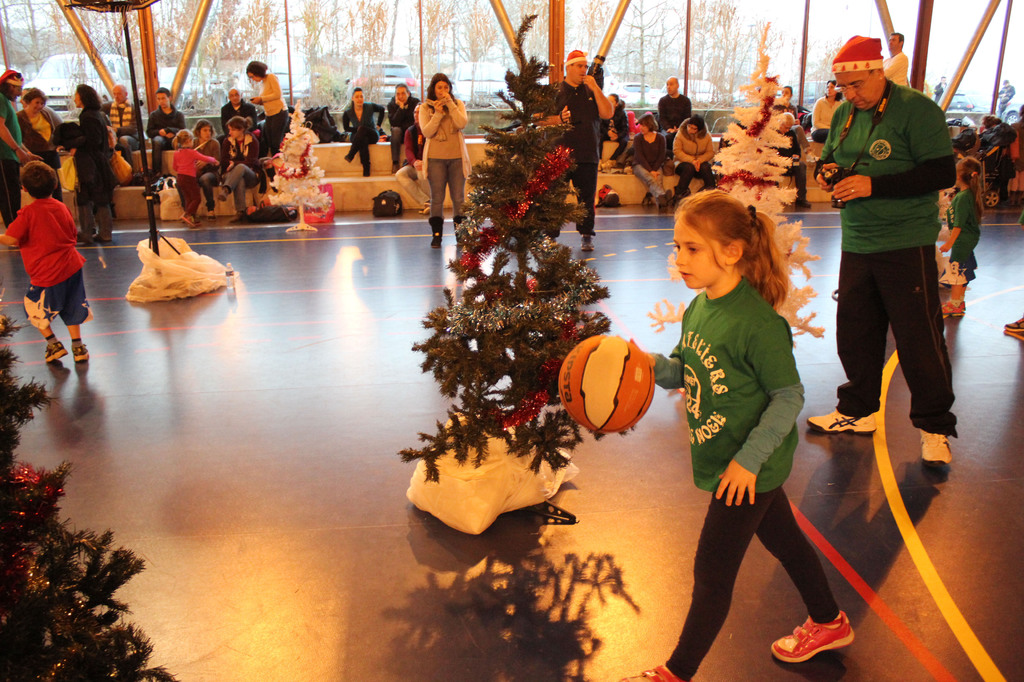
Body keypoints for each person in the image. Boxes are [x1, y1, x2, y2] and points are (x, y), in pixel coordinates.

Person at [621, 190, 853, 682]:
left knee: (711, 575)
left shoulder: (758, 324)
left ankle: (676, 673)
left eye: (692, 248)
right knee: (787, 543)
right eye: (677, 247)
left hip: (747, 468)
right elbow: (685, 369)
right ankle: (830, 622)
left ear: (731, 252)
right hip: (730, 457)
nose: (679, 259)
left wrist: (748, 461)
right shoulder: (699, 308)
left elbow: (788, 396)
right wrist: (649, 365)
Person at [808, 36, 957, 466]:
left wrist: (874, 185)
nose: (850, 95)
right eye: (843, 88)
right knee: (855, 332)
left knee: (918, 338)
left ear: (879, 72)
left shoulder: (917, 110)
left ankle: (935, 428)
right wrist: (827, 173)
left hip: (905, 241)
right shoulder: (844, 113)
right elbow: (828, 157)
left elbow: (941, 172)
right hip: (857, 239)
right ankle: (857, 411)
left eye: (856, 85)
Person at [0, 161, 91, 363]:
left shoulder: (28, 213)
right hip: (71, 265)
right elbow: (72, 233)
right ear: (55, 185)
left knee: (33, 308)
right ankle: (78, 347)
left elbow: (12, 239)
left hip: (47, 271)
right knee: (72, 304)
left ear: (24, 188)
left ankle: (53, 344)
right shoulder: (61, 207)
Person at [543, 50, 613, 252]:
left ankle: (586, 234)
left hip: (587, 154)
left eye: (585, 66)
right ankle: (550, 235)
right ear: (569, 68)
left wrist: (595, 88)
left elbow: (607, 113)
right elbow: (538, 118)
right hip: (559, 154)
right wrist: (558, 119)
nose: (584, 70)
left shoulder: (592, 90)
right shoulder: (555, 91)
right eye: (580, 66)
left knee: (586, 199)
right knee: (555, 197)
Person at [64, 84, 116, 244]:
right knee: (101, 198)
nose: (74, 98)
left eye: (76, 95)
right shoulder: (97, 114)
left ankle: (88, 232)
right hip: (98, 161)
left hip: (90, 163)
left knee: (85, 197)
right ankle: (104, 232)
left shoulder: (87, 116)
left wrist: (75, 144)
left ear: (83, 97)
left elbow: (93, 140)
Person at [421, 73, 469, 248]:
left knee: (459, 198)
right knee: (437, 198)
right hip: (436, 159)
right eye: (439, 87)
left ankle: (461, 235)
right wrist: (438, 114)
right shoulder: (425, 108)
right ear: (433, 89)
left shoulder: (458, 104)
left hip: (457, 158)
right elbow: (427, 132)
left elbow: (462, 123)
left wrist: (450, 105)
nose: (443, 91)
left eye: (446, 87)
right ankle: (436, 235)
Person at [939, 157, 983, 317]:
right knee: (963, 270)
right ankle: (958, 302)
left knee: (957, 271)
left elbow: (959, 224)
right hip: (965, 239)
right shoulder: (964, 195)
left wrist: (949, 243)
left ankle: (955, 304)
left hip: (962, 240)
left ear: (958, 175)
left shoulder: (964, 197)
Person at [0, 69, 40, 225]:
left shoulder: (6, 101)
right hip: (4, 155)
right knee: (9, 196)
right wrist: (17, 150)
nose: (19, 93)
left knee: (14, 194)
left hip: (10, 155)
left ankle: (15, 228)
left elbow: (12, 131)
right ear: (9, 86)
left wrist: (25, 152)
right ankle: (13, 229)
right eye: (18, 89)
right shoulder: (1, 99)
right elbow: (1, 127)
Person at [17, 88, 63, 201]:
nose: (39, 106)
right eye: (37, 102)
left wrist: (59, 143)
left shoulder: (45, 113)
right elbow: (18, 138)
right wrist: (27, 153)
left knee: (55, 184)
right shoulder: (20, 116)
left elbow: (55, 129)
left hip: (51, 152)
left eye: (42, 103)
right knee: (38, 184)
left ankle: (57, 206)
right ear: (29, 101)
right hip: (34, 154)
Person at [171, 129, 218, 228]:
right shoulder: (192, 152)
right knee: (196, 198)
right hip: (189, 178)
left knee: (188, 198)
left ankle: (191, 218)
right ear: (189, 141)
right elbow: (205, 158)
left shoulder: (176, 153)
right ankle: (187, 214)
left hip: (180, 178)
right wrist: (214, 160)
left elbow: (174, 167)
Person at [218, 115, 260, 223]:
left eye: (232, 130)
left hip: (250, 174)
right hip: (230, 174)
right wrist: (232, 165)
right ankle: (240, 212)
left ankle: (226, 189)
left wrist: (235, 163)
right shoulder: (227, 141)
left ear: (241, 129)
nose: (230, 132)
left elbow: (251, 161)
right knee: (240, 179)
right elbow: (224, 160)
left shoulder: (252, 141)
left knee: (241, 167)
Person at [341, 87, 386, 177]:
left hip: (372, 134)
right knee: (363, 138)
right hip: (357, 136)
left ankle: (351, 153)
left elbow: (382, 109)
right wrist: (357, 130)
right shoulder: (348, 112)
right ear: (352, 98)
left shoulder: (369, 106)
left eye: (361, 96)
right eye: (357, 97)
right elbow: (346, 128)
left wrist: (378, 125)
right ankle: (366, 167)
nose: (359, 99)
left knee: (362, 131)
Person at [395, 104, 431, 214]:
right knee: (400, 174)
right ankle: (426, 201)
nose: (416, 115)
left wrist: (424, 162)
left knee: (421, 171)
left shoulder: (431, 129)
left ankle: (430, 203)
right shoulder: (410, 131)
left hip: (430, 164)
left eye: (419, 112)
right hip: (415, 164)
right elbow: (408, 150)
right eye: (415, 112)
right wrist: (414, 162)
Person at [247, 61, 287, 156]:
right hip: (269, 114)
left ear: (258, 72)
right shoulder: (263, 82)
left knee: (276, 142)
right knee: (269, 141)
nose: (253, 79)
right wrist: (260, 101)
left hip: (279, 112)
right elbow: (269, 99)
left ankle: (278, 161)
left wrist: (261, 99)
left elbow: (278, 94)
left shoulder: (271, 77)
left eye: (253, 76)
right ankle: (273, 161)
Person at [673, 115, 715, 199]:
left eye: (694, 128)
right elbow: (677, 151)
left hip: (700, 163)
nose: (690, 130)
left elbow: (710, 152)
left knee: (706, 167)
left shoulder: (706, 136)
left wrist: (699, 160)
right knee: (689, 168)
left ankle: (711, 193)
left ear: (699, 129)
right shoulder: (681, 134)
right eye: (689, 126)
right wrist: (692, 160)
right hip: (682, 162)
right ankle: (679, 194)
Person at [631, 113, 668, 210]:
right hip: (640, 165)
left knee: (658, 180)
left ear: (650, 125)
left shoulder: (661, 138)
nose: (641, 128)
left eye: (643, 126)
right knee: (650, 179)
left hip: (656, 165)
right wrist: (651, 170)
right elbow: (639, 156)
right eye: (640, 125)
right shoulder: (638, 138)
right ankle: (663, 196)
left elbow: (661, 156)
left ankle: (659, 202)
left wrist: (654, 169)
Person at [146, 86, 185, 176]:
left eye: (163, 98)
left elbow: (183, 130)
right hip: (160, 139)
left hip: (174, 138)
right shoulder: (153, 115)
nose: (161, 101)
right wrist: (160, 132)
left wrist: (170, 131)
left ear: (169, 98)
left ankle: (183, 171)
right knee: (157, 141)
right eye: (158, 99)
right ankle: (157, 172)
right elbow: (149, 132)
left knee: (181, 142)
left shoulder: (179, 115)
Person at [775, 113, 811, 208]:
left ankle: (801, 198)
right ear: (780, 124)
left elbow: (797, 150)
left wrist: (797, 156)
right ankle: (774, 198)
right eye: (786, 128)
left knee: (801, 165)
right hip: (777, 162)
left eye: (789, 128)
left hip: (790, 161)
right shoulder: (772, 134)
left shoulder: (791, 133)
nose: (787, 130)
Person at [387, 84, 419, 174]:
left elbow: (416, 121)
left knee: (414, 129)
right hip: (399, 135)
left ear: (408, 93)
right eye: (398, 94)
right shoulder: (391, 105)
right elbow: (394, 123)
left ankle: (415, 161)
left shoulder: (415, 103)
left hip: (411, 133)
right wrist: (401, 108)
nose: (400, 96)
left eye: (403, 93)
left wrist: (403, 123)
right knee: (396, 130)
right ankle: (395, 163)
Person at [192, 119, 221, 219]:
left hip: (211, 172)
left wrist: (206, 162)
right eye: (205, 130)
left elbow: (217, 164)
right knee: (182, 181)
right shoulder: (193, 143)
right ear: (198, 131)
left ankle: (210, 208)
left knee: (205, 179)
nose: (208, 133)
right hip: (196, 171)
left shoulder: (214, 143)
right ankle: (189, 211)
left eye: (209, 130)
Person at [658, 77, 692, 159]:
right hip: (667, 129)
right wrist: (669, 128)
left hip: (682, 128)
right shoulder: (663, 101)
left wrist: (680, 128)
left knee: (684, 137)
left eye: (671, 84)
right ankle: (669, 159)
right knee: (667, 137)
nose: (668, 87)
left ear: (677, 86)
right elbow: (662, 118)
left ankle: (683, 158)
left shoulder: (686, 101)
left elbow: (687, 118)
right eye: (667, 85)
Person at [103, 84, 138, 162]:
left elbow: (133, 128)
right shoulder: (111, 105)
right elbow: (98, 109)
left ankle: (129, 167)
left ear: (126, 94)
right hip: (115, 136)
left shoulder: (133, 107)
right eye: (114, 94)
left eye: (119, 94)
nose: (116, 96)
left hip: (133, 138)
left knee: (123, 139)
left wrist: (117, 130)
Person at [601, 93, 630, 167]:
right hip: (607, 133)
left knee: (624, 141)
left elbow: (625, 128)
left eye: (611, 102)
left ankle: (611, 160)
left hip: (618, 133)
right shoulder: (603, 111)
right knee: (598, 138)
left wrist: (617, 136)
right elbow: (601, 126)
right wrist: (608, 132)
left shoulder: (622, 113)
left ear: (616, 104)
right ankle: (599, 159)